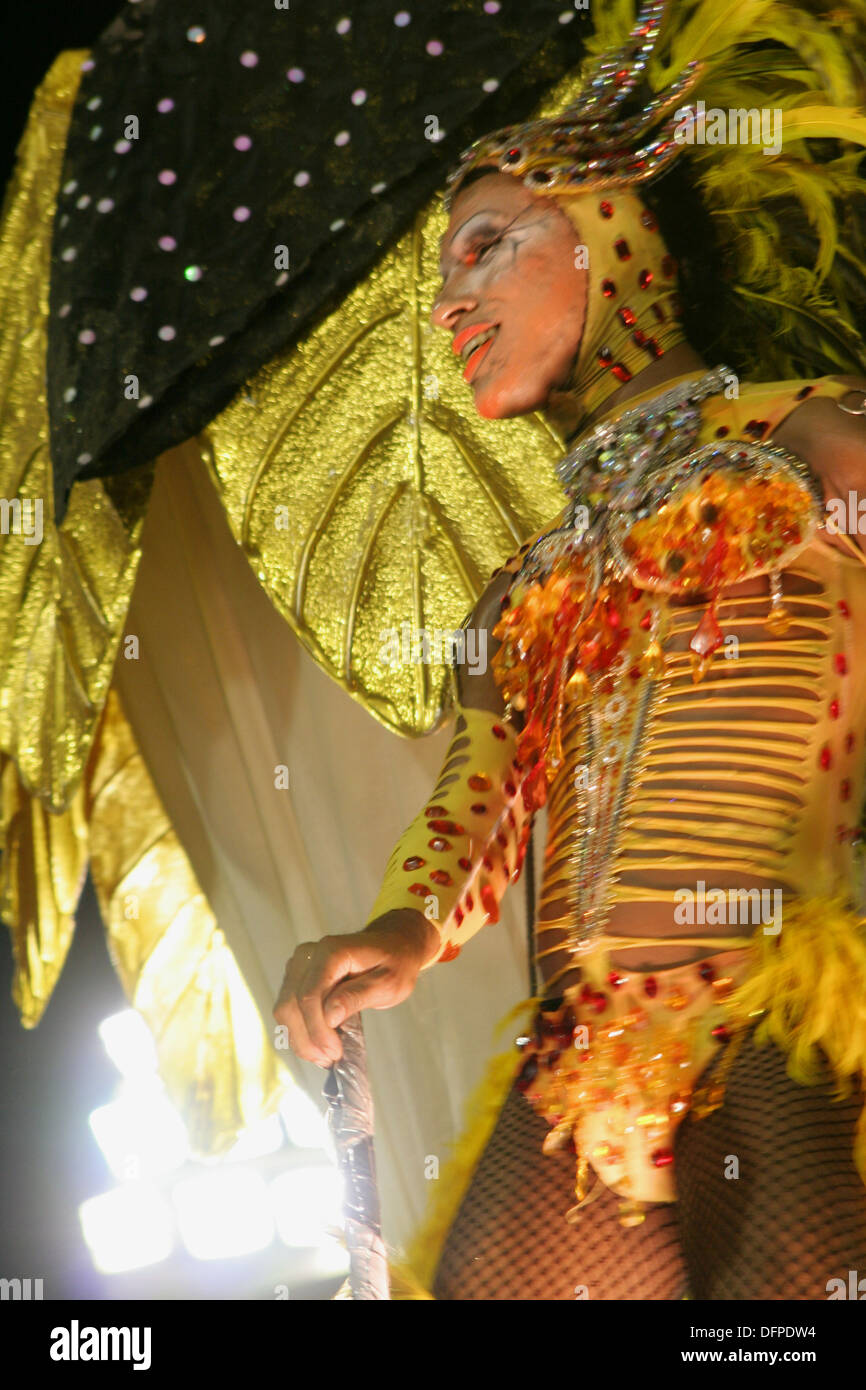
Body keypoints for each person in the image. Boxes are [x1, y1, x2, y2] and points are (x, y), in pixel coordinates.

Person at [275, 0, 866, 1298]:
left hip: (783, 999)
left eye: (487, 247)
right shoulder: (523, 588)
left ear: (609, 233)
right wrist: (401, 926)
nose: (451, 302)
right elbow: (481, 798)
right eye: (442, 271)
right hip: (588, 1058)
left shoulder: (817, 447)